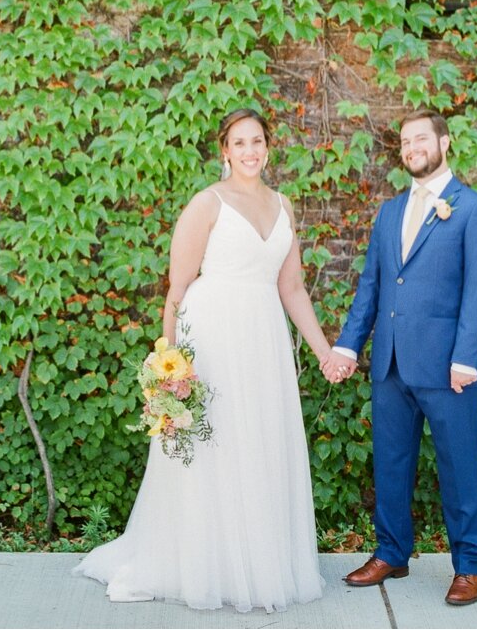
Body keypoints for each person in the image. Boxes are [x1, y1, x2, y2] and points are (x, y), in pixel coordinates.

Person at [75, 108, 331, 612]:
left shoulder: (284, 206)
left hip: (262, 341)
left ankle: (257, 565)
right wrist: (168, 370)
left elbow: (293, 288)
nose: (250, 151)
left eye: (257, 141)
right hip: (211, 336)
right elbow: (177, 289)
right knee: (213, 445)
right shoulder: (206, 204)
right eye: (239, 143)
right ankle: (203, 564)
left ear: (268, 147)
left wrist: (324, 352)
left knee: (257, 442)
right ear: (224, 151)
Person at [321, 109, 477, 606]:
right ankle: (392, 552)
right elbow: (373, 287)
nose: (411, 147)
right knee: (391, 464)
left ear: (445, 143)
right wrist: (347, 346)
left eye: (421, 138)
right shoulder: (389, 212)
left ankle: (470, 566)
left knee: (460, 466)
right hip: (391, 365)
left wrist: (467, 356)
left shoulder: (473, 209)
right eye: (404, 140)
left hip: (449, 369)